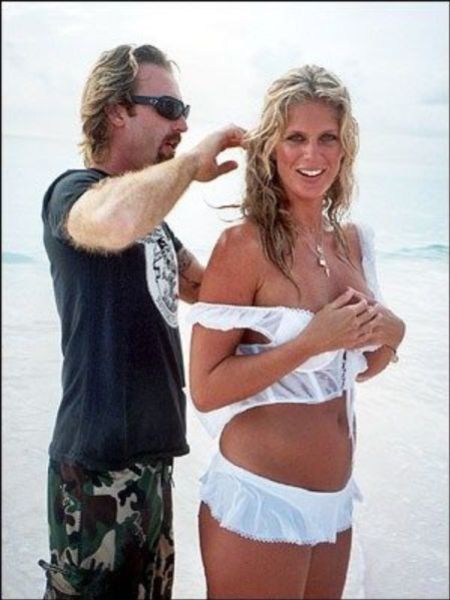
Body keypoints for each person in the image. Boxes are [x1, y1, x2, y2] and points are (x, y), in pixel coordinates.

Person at [188, 64, 406, 599]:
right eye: (296, 138)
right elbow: (206, 388)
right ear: (271, 149)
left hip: (335, 502)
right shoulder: (244, 246)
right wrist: (311, 341)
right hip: (263, 500)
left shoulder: (353, 243)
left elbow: (355, 370)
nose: (313, 154)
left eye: (327, 138)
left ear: (344, 149)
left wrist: (394, 334)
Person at [38, 43, 244, 599]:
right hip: (97, 470)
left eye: (184, 111)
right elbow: (113, 220)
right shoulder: (73, 194)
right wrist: (190, 166)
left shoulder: (153, 221)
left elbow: (207, 288)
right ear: (116, 111)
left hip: (153, 463)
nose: (183, 125)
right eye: (168, 108)